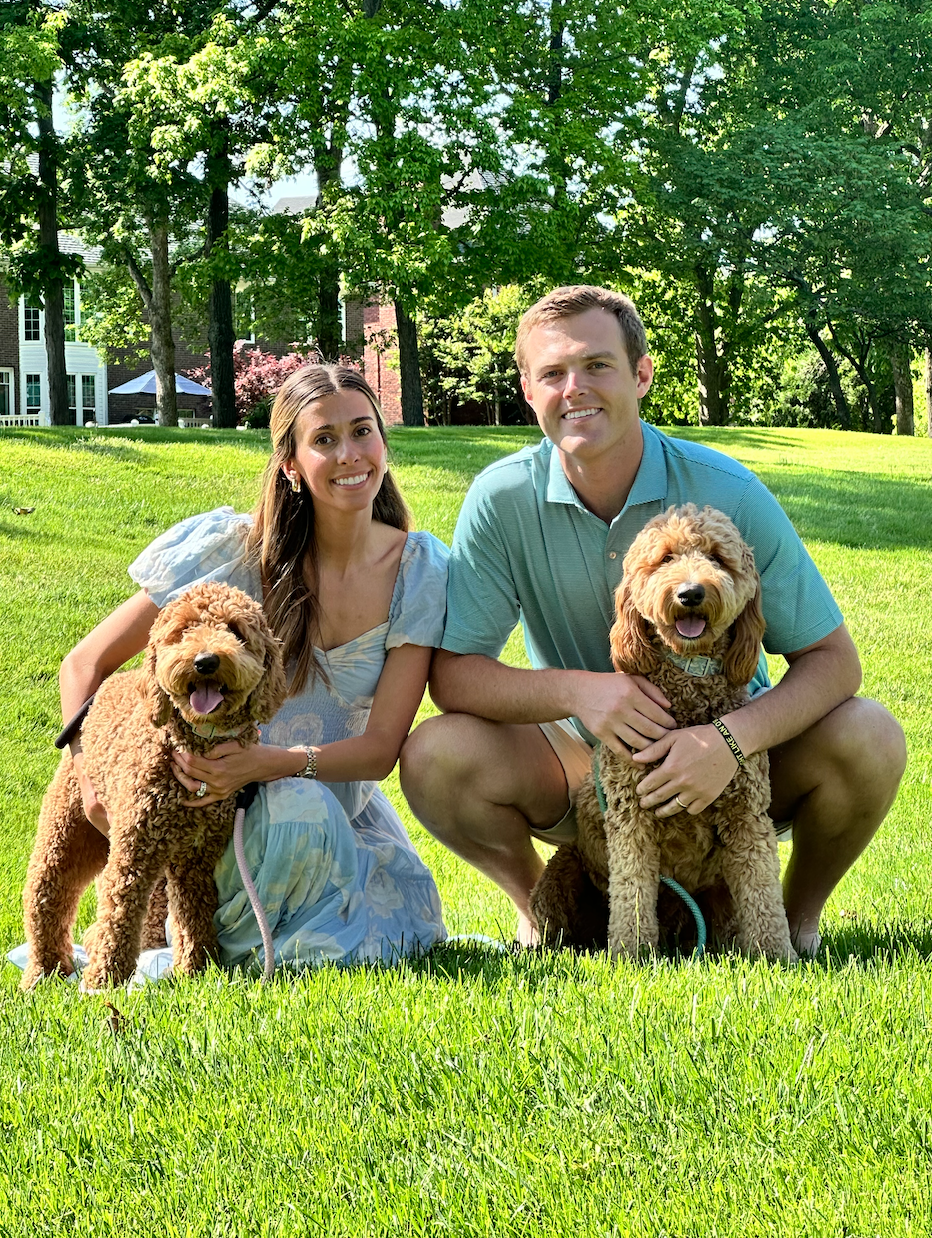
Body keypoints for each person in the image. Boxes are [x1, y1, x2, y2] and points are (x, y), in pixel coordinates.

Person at [400, 285, 906, 954]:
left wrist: (731, 740)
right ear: (527, 388)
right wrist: (581, 692)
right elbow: (456, 677)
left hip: (736, 744)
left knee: (871, 735)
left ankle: (789, 922)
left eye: (597, 365)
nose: (574, 388)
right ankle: (548, 910)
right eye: (553, 373)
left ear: (641, 374)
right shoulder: (501, 499)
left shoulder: (727, 490)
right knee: (436, 755)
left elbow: (835, 662)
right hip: (587, 759)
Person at [54, 364, 447, 971]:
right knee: (289, 826)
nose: (350, 454)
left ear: (384, 443)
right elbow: (86, 661)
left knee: (317, 825)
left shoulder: (416, 569)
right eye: (323, 439)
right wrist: (88, 780)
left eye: (363, 431)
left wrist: (269, 764)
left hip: (331, 811)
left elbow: (379, 748)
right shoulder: (230, 551)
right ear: (289, 463)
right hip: (208, 813)